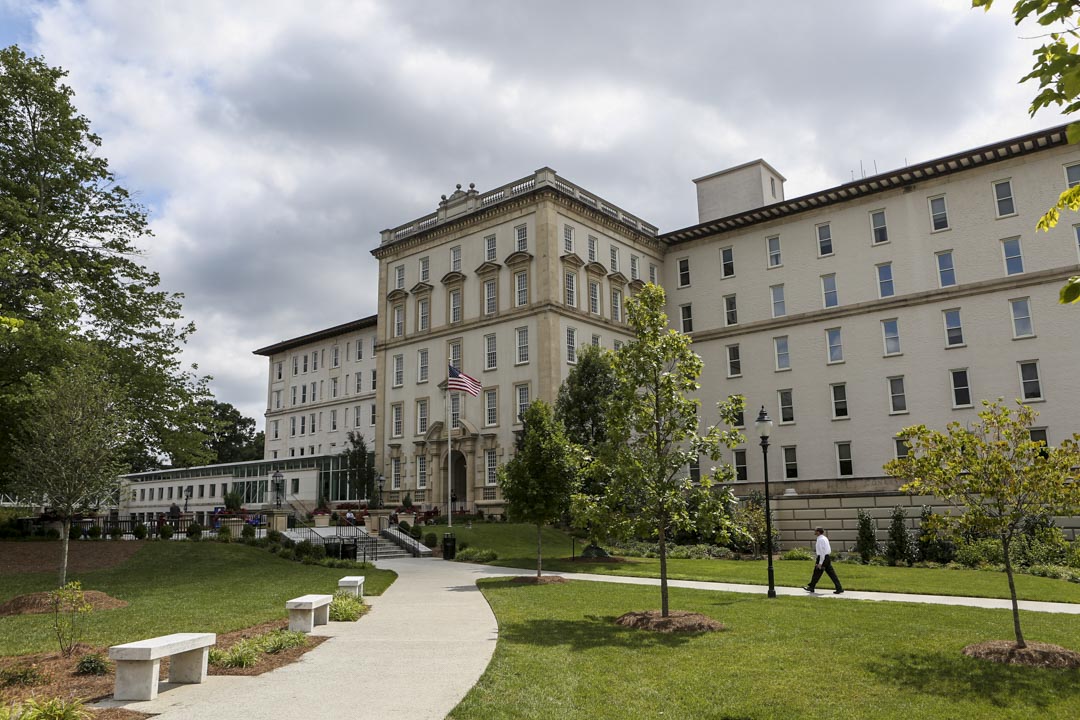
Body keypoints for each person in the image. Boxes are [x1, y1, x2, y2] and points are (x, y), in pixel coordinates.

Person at [804, 527, 843, 594]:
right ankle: (839, 588)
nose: (814, 532)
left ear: (818, 532)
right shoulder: (824, 538)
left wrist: (820, 563)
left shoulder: (820, 540)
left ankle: (811, 587)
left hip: (822, 558)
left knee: (817, 572)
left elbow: (822, 552)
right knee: (831, 574)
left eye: (815, 531)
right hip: (827, 557)